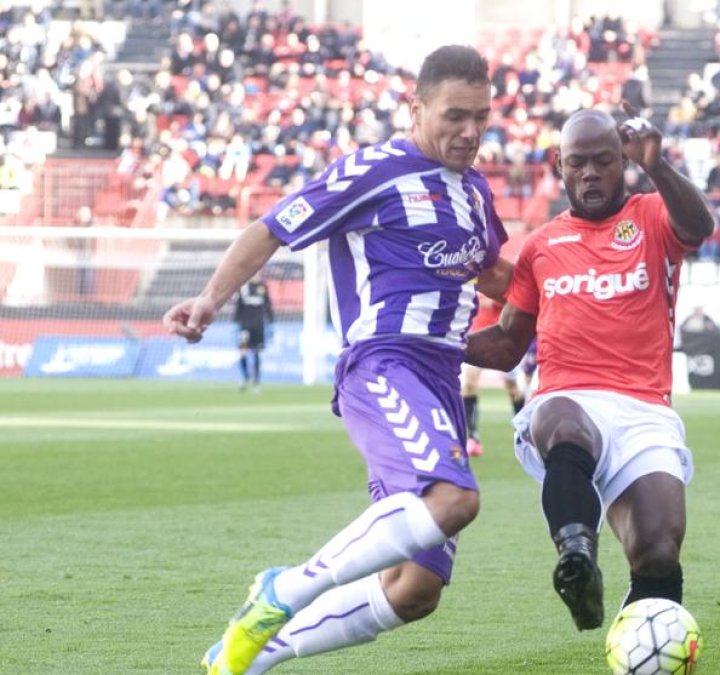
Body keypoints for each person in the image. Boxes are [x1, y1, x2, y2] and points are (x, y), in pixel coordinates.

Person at [164, 46, 512, 675]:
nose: (471, 132)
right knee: (455, 501)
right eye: (455, 116)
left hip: (438, 380)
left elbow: (489, 271)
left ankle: (246, 656)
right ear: (417, 108)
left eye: (481, 117)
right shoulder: (373, 172)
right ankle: (284, 592)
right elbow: (271, 228)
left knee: (416, 590)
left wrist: (564, 291)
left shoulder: (475, 192)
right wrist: (211, 300)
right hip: (385, 365)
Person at [463, 102, 714, 631]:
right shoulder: (542, 246)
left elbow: (700, 225)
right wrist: (439, 345)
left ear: (623, 159)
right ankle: (577, 559)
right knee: (555, 417)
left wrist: (659, 166)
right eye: (578, 162)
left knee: (658, 550)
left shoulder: (651, 214)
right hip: (568, 397)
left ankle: (644, 643)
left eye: (604, 160)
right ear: (559, 163)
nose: (591, 172)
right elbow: (510, 342)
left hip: (644, 407)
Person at [461, 295, 525, 457]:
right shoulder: (471, 276)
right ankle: (473, 438)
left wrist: (495, 299)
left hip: (501, 338)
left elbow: (512, 299)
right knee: (469, 385)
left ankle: (523, 432)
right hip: (475, 335)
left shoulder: (497, 273)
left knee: (512, 389)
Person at [234, 271, 274, 393]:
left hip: (259, 326)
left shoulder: (263, 287)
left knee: (256, 353)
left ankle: (256, 382)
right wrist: (237, 323)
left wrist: (270, 321)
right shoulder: (243, 287)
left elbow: (268, 305)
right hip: (245, 326)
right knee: (243, 352)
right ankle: (245, 377)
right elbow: (238, 306)